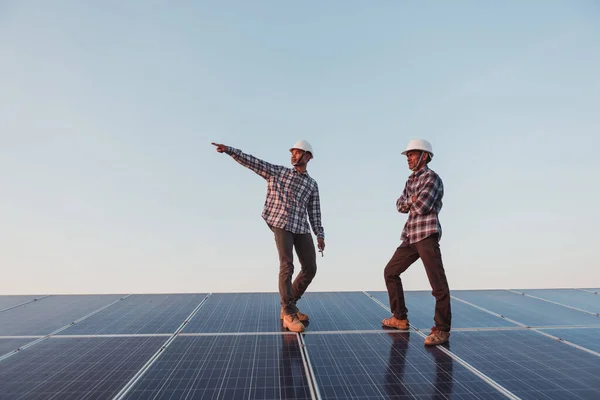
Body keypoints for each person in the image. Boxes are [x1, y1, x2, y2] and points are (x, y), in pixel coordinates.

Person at [211, 140, 325, 333]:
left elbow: (314, 212)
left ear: (308, 157)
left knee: (310, 268)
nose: (293, 156)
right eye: (292, 152)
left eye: (298, 153)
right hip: (281, 223)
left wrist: (320, 234)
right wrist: (231, 151)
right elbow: (254, 162)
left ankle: (290, 304)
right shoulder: (278, 172)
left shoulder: (312, 184)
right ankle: (288, 313)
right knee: (287, 264)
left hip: (301, 226)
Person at [381, 139, 451, 346]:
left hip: (426, 235)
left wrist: (410, 201)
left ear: (425, 156)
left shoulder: (432, 178)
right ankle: (400, 318)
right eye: (408, 155)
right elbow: (399, 205)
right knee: (390, 272)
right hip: (410, 236)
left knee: (437, 284)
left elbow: (421, 206)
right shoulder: (411, 181)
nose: (409, 158)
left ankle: (442, 329)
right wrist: (410, 201)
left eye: (412, 154)